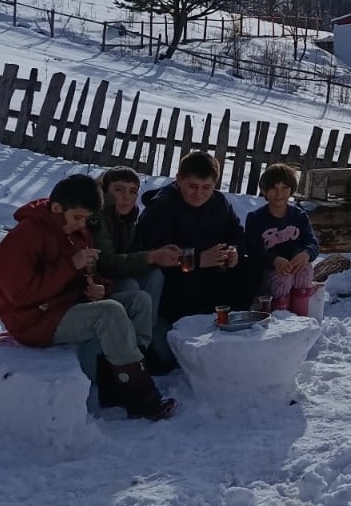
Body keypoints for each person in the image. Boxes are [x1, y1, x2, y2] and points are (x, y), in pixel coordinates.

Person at [0, 174, 176, 421]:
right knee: (109, 312)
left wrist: (98, 288)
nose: (81, 224)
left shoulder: (77, 232)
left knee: (139, 301)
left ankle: (122, 377)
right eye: (77, 217)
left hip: (67, 306)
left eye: (86, 219)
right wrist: (70, 266)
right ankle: (141, 396)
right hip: (34, 319)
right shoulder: (24, 237)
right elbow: (20, 295)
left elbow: (90, 274)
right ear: (57, 208)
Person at [138, 151, 261, 330]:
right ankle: (190, 330)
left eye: (206, 187)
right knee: (186, 280)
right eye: (193, 186)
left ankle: (233, 324)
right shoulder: (162, 206)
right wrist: (197, 259)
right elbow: (153, 250)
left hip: (214, 270)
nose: (199, 193)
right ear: (179, 180)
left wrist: (235, 251)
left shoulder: (219, 202)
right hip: (176, 274)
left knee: (250, 269)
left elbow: (237, 234)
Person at [91, 166, 180, 369]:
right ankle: (129, 348)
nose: (126, 197)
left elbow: (131, 254)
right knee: (131, 286)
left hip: (116, 275)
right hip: (96, 282)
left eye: (132, 191)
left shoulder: (128, 217)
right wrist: (151, 256)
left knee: (155, 275)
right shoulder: (98, 218)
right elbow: (106, 262)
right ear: (105, 191)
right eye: (119, 190)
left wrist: (158, 255)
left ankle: (145, 342)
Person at [245, 163, 321, 316]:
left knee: (305, 271)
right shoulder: (256, 218)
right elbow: (252, 250)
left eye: (284, 187)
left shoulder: (299, 216)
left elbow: (312, 241)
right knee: (283, 278)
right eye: (274, 188)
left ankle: (300, 318)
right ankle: (279, 317)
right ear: (264, 190)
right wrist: (273, 260)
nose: (279, 193)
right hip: (268, 272)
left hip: (294, 267)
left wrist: (306, 253)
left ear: (292, 189)